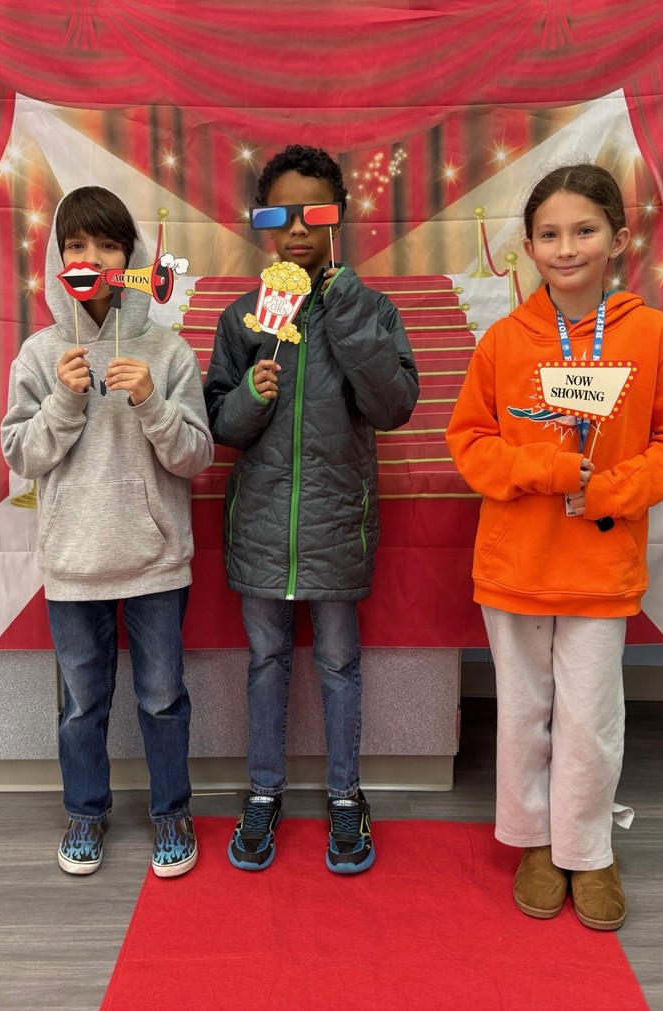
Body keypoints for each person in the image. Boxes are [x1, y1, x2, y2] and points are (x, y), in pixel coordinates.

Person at [446, 163, 663, 929]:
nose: (567, 247)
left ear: (619, 240)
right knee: (524, 712)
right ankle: (533, 839)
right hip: (516, 563)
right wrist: (546, 468)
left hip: (599, 562)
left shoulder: (652, 335)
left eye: (584, 230)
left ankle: (587, 847)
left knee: (590, 717)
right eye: (550, 234)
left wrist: (607, 489)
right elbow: (470, 445)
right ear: (527, 246)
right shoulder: (503, 339)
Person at [204, 145, 419, 874]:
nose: (299, 228)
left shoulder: (372, 307)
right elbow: (220, 427)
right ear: (264, 224)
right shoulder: (244, 315)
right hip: (262, 527)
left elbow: (393, 406)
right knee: (265, 660)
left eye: (315, 213)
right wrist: (251, 394)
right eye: (282, 214)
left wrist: (346, 310)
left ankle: (345, 793)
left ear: (339, 218)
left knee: (338, 661)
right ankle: (263, 792)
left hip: (336, 524)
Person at [1, 185, 213, 878]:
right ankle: (85, 811)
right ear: (59, 260)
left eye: (108, 244)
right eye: (76, 245)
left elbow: (197, 458)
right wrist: (65, 399)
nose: (92, 257)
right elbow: (22, 458)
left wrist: (152, 401)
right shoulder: (38, 354)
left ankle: (171, 811)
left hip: (154, 558)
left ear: (131, 255)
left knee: (161, 695)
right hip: (72, 558)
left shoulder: (168, 348)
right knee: (81, 701)